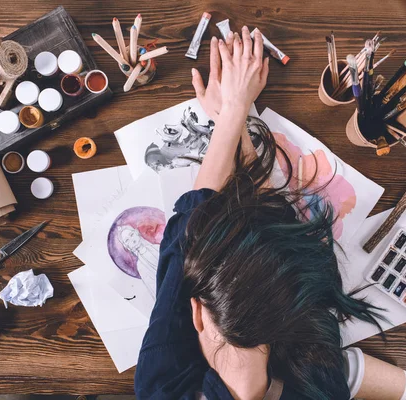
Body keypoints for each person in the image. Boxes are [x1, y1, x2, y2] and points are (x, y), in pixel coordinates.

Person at [135, 27, 386, 399]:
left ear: (198, 316)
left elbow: (193, 225)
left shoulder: (161, 386)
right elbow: (272, 239)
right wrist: (234, 114)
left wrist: (233, 115)